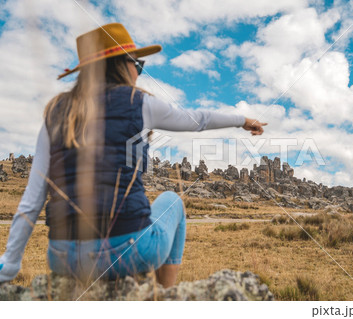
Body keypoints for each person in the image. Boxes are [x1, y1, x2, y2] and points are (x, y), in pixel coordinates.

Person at [0, 23, 267, 287]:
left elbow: (31, 201)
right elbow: (198, 120)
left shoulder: (56, 112)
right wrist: (242, 119)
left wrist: (9, 267)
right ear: (120, 65)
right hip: (126, 252)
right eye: (137, 65)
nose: (138, 73)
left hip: (63, 257)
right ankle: (165, 295)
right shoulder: (138, 103)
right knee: (172, 201)